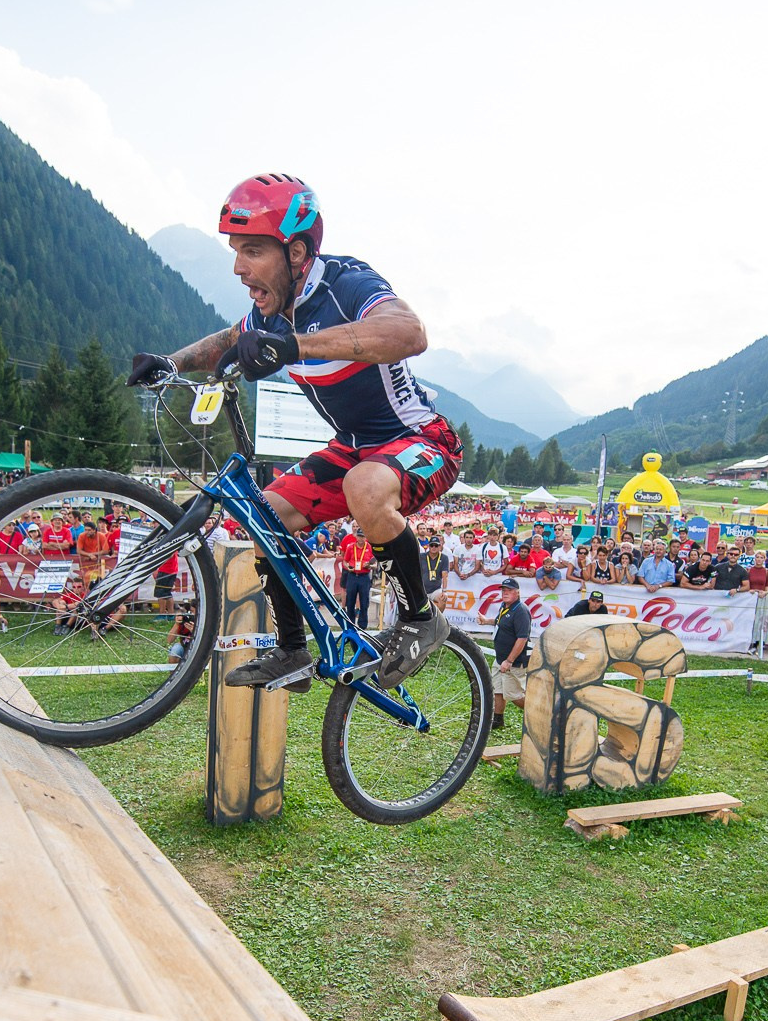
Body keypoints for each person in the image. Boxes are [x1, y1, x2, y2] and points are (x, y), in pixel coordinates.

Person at [128, 174, 458, 690]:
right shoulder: (273, 310)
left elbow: (409, 332)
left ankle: (420, 618)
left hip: (423, 439)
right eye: (236, 251)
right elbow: (229, 338)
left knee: (365, 488)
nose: (239, 268)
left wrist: (296, 347)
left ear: (298, 251)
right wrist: (170, 363)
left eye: (253, 251)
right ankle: (291, 651)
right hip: (353, 448)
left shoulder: (345, 283)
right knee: (266, 514)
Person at [487, 578, 532, 732]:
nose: (505, 593)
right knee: (498, 690)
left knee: (514, 695)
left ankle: (539, 713)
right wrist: (486, 621)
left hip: (513, 661)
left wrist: (509, 660)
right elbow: (501, 622)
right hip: (500, 659)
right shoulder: (505, 606)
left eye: (509, 590)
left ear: (517, 593)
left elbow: (522, 638)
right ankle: (498, 719)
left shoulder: (521, 611)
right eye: (503, 590)